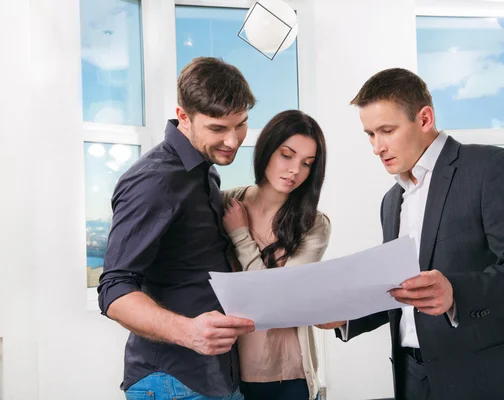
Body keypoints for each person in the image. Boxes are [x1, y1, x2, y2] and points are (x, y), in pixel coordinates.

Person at [318, 68, 504, 400]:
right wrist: (347, 316)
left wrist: (455, 293)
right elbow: (399, 290)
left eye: (387, 131)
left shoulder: (490, 167)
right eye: (370, 134)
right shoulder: (392, 201)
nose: (377, 147)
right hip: (411, 377)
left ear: (424, 119)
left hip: (486, 376)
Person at [97, 57, 257, 400]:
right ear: (183, 116)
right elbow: (113, 289)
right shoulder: (153, 179)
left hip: (216, 376)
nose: (233, 141)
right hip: (172, 382)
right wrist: (187, 331)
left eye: (241, 124)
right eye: (217, 128)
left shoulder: (206, 171)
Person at [222, 110, 330, 400]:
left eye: (307, 163)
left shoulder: (313, 224)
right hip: (225, 372)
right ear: (267, 149)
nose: (295, 170)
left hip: (286, 375)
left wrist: (240, 236)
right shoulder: (225, 202)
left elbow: (276, 300)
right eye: (287, 155)